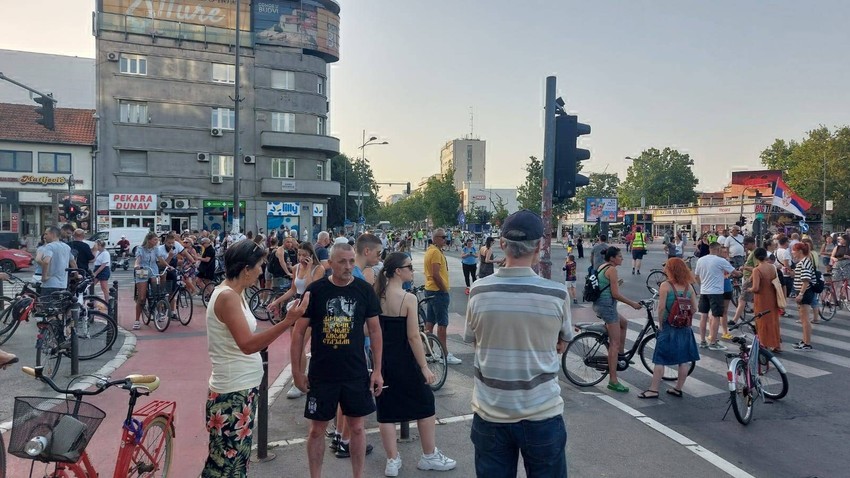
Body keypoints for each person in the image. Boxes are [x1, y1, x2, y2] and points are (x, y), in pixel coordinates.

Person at [464, 209, 572, 478]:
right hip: (542, 414)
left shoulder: (479, 291)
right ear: (539, 246)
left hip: (491, 414)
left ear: (502, 245)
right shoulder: (557, 294)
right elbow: (563, 341)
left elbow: (474, 339)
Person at [202, 240, 309, 477]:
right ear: (246, 269)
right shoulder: (228, 297)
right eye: (259, 266)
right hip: (232, 394)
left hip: (239, 389)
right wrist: (287, 321)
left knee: (229, 463)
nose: (262, 271)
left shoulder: (236, 294)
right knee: (228, 466)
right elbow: (248, 345)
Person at [290, 242, 384, 478]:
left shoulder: (364, 290)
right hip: (322, 373)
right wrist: (297, 372)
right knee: (316, 430)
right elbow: (299, 332)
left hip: (355, 372)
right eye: (342, 261)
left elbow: (375, 331)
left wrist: (377, 370)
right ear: (330, 264)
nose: (348, 266)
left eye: (352, 261)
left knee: (358, 428)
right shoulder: (317, 291)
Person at [374, 253, 456, 475]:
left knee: (386, 409)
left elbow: (368, 329)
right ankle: (429, 455)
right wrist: (424, 367)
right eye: (409, 267)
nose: (412, 270)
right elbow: (413, 337)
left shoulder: (376, 295)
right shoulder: (408, 298)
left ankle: (392, 460)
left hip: (382, 360)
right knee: (425, 404)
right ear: (398, 271)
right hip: (406, 360)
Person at [638, 257, 700, 399]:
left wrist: (661, 323)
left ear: (670, 270)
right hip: (685, 327)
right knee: (683, 360)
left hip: (669, 326)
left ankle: (653, 390)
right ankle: (678, 388)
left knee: (660, 359)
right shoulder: (688, 286)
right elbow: (695, 308)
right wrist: (683, 316)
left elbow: (661, 308)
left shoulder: (666, 286)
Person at [271, 242, 325, 400]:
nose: (301, 258)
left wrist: (308, 269)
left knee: (301, 345)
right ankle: (299, 378)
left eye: (304, 255)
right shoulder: (295, 268)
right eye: (299, 254)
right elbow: (293, 290)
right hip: (295, 307)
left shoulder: (318, 268)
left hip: (310, 308)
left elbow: (311, 287)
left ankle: (299, 381)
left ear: (310, 254)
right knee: (295, 345)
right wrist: (276, 301)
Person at [593, 246, 641, 392]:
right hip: (607, 307)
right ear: (613, 258)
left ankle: (620, 355)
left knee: (624, 323)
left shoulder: (603, 266)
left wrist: (616, 283)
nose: (622, 258)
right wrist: (632, 304)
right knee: (613, 343)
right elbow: (615, 294)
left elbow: (605, 285)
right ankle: (613, 380)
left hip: (601, 305)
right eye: (619, 256)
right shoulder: (612, 269)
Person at [424, 228, 462, 365]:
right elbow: (435, 273)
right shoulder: (435, 252)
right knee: (442, 324)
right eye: (443, 237)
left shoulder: (431, 250)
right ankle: (444, 354)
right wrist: (444, 288)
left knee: (430, 321)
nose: (445, 239)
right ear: (435, 238)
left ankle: (428, 351)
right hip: (437, 291)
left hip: (430, 290)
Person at [694, 242, 736, 351]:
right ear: (717, 250)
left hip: (704, 291)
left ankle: (703, 341)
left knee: (703, 316)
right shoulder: (720, 260)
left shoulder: (701, 260)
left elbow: (696, 276)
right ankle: (713, 342)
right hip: (716, 292)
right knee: (716, 316)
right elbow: (734, 272)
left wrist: (702, 285)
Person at [748, 248, 782, 353]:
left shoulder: (757, 270)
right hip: (772, 297)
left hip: (762, 299)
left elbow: (756, 288)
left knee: (762, 321)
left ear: (756, 257)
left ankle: (763, 344)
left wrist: (749, 289)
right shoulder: (772, 267)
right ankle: (776, 344)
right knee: (773, 321)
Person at [133, 232, 167, 330]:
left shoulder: (156, 249)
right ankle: (137, 320)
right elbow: (138, 259)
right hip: (142, 270)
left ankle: (158, 311)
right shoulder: (140, 249)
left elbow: (160, 259)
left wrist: (168, 266)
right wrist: (136, 265)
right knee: (142, 297)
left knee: (158, 292)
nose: (157, 242)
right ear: (149, 240)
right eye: (155, 240)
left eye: (157, 240)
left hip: (153, 270)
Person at [39, 226, 76, 296]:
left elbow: (46, 261)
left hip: (50, 284)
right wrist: (77, 275)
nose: (44, 236)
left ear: (52, 234)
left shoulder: (49, 246)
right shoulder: (66, 247)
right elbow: (73, 262)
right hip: (63, 285)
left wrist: (44, 277)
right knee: (59, 306)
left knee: (46, 305)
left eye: (46, 234)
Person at [791, 242, 815, 350]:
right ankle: (805, 340)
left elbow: (806, 280)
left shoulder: (804, 262)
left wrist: (801, 294)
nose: (792, 253)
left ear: (800, 251)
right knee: (803, 318)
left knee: (805, 319)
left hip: (805, 293)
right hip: (803, 292)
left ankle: (807, 343)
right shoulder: (803, 261)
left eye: (794, 250)